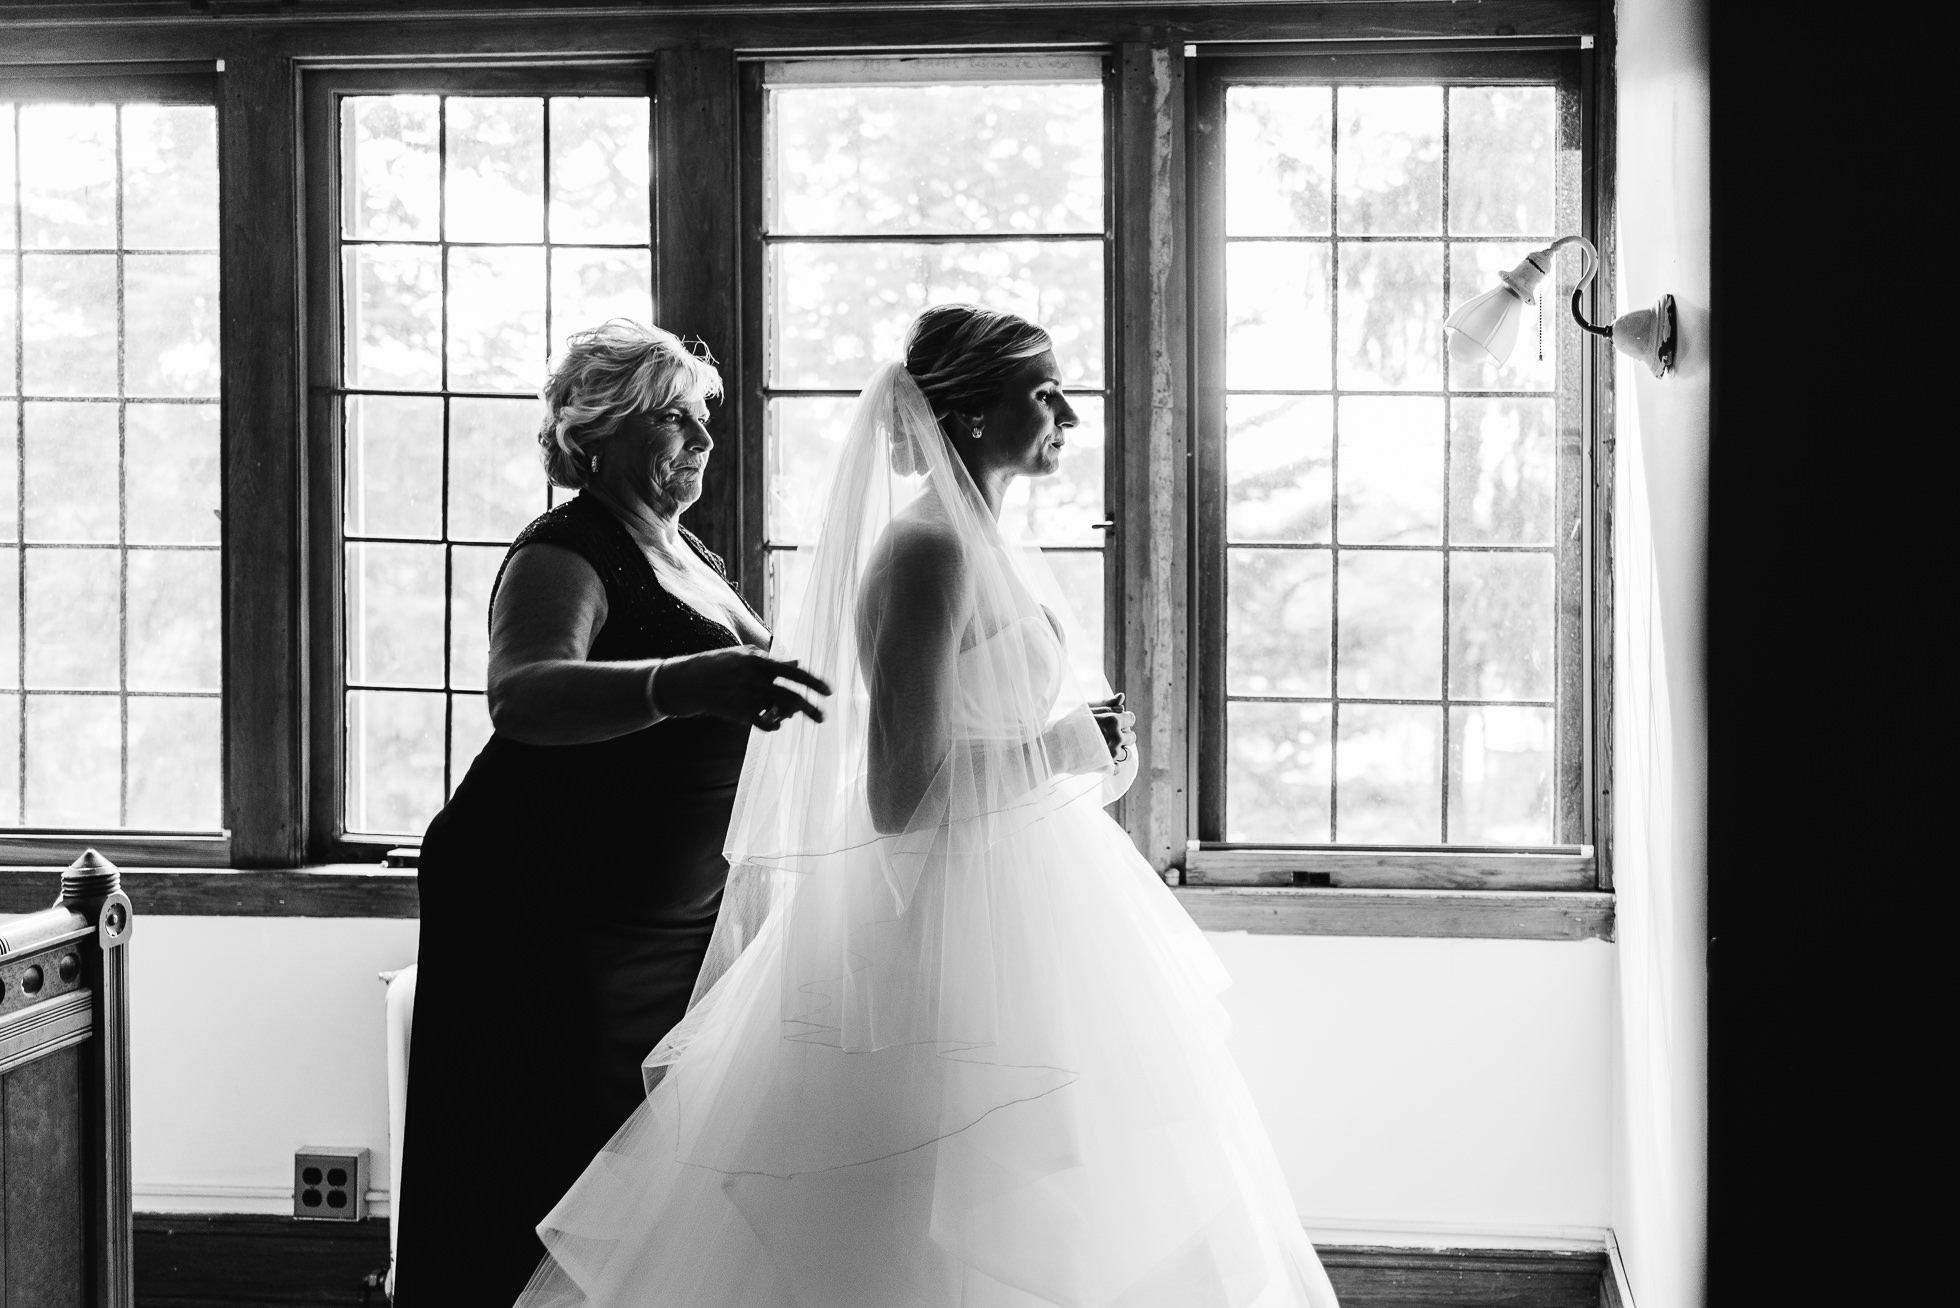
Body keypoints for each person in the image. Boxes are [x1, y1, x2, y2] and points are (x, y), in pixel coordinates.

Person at [515, 306, 1339, 1308]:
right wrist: (1054, 746)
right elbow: (901, 796)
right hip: (940, 920)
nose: (1069, 415)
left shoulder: (987, 541)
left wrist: (1062, 739)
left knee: (1062, 1189)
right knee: (919, 1201)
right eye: (1043, 392)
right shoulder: (924, 554)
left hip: (1027, 903)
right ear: (977, 414)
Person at [392, 321, 830, 1308]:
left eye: (705, 417)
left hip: (667, 910)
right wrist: (685, 682)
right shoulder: (565, 548)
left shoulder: (684, 552)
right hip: (553, 909)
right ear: (603, 431)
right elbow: (526, 693)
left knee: (643, 1153)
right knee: (546, 1153)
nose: (703, 440)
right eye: (677, 417)